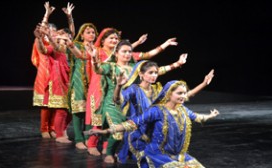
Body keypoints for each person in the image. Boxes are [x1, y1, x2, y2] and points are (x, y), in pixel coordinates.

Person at [86, 80, 220, 168]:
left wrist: (210, 115)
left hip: (180, 155)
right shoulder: (157, 111)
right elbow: (133, 124)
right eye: (180, 93)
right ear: (169, 94)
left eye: (185, 93)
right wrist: (106, 131)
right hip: (158, 156)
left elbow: (197, 117)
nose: (183, 96)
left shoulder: (183, 110)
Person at [90, 39, 182, 163]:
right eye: (124, 52)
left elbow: (156, 70)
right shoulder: (110, 66)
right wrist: (95, 60)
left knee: (133, 130)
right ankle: (109, 153)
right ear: (116, 53)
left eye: (129, 52)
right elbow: (98, 70)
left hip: (129, 104)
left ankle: (125, 152)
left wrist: (177, 64)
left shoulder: (135, 67)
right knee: (119, 132)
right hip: (113, 103)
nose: (127, 54)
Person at [113, 60, 215, 163]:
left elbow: (184, 96)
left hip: (155, 132)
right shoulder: (134, 89)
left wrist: (204, 84)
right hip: (139, 131)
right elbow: (118, 100)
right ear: (141, 74)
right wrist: (118, 86)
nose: (154, 75)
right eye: (150, 72)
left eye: (156, 73)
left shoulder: (157, 89)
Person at [31, 1, 74, 139]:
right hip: (45, 74)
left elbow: (71, 33)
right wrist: (46, 15)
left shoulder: (58, 43)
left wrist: (69, 17)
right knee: (46, 104)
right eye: (47, 31)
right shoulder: (42, 42)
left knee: (57, 104)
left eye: (52, 31)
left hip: (59, 76)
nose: (49, 32)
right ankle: (45, 128)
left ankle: (54, 128)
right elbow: (41, 46)